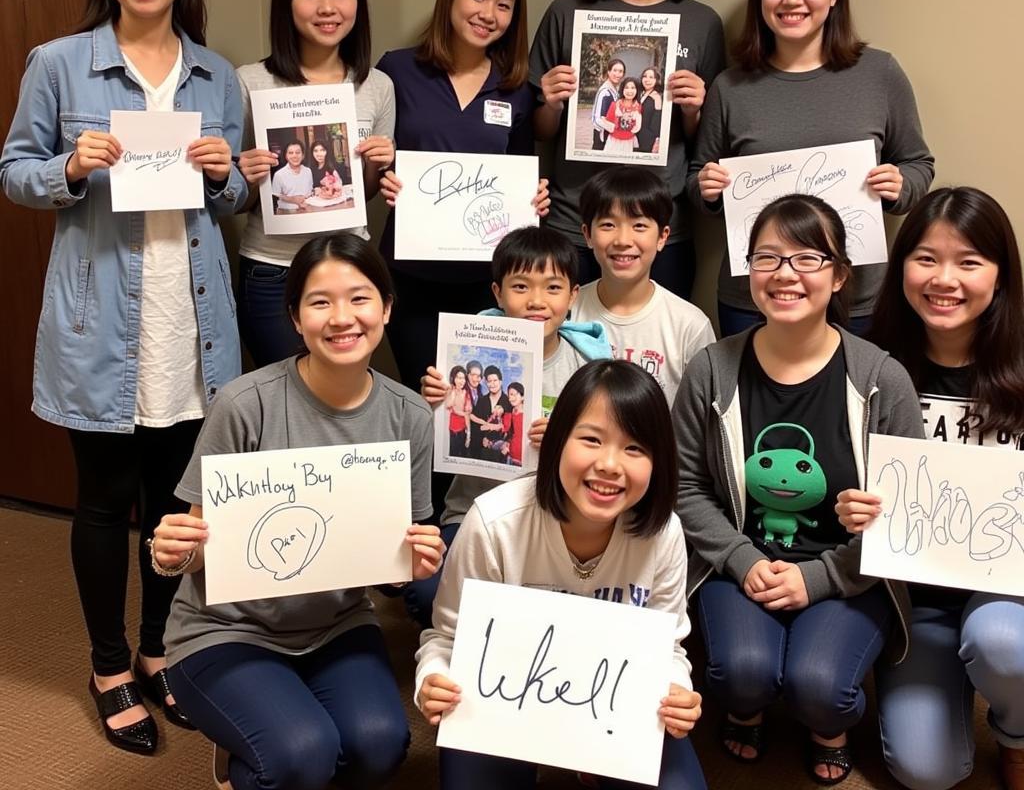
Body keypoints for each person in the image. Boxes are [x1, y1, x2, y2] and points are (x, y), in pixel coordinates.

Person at [0, 0, 246, 754]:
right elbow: (14, 170)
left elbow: (238, 194)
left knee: (174, 503)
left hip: (194, 322)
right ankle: (108, 666)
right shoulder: (59, 63)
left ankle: (157, 653)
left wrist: (226, 173)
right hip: (99, 324)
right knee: (105, 503)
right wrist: (69, 164)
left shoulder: (215, 73)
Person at [151, 233, 443, 790]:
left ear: (386, 307)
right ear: (294, 317)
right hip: (226, 629)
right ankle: (248, 759)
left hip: (336, 625)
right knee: (301, 756)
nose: (342, 318)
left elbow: (388, 570)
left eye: (360, 298)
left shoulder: (408, 416)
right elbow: (193, 551)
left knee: (379, 746)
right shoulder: (246, 403)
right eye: (320, 302)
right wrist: (171, 554)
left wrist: (415, 561)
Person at [673, 193, 925, 785]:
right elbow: (686, 486)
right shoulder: (711, 370)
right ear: (748, 270)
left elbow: (910, 516)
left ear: (839, 275)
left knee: (820, 688)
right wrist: (740, 557)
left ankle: (826, 724)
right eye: (768, 257)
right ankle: (747, 707)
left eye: (808, 258)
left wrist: (819, 578)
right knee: (742, 672)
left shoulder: (883, 379)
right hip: (744, 566)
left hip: (848, 573)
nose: (785, 274)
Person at [416, 359, 708, 790]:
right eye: (591, 439)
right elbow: (446, 638)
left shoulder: (663, 534)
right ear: (556, 440)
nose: (610, 464)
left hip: (614, 705)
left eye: (635, 449)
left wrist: (677, 691)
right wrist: (432, 680)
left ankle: (590, 765)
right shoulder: (494, 523)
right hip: (505, 706)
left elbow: (667, 647)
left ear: (658, 461)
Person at [834, 187, 1024, 790]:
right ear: (901, 267)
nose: (945, 279)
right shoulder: (864, 361)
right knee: (926, 771)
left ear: (1000, 274)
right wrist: (848, 504)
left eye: (969, 262)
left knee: (1001, 644)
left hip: (1009, 594)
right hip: (916, 603)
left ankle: (1017, 731)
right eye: (925, 258)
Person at [689, 0, 934, 336]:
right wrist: (707, 188)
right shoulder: (730, 87)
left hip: (855, 298)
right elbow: (696, 180)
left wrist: (901, 184)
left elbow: (918, 163)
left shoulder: (880, 74)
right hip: (754, 299)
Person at [531, 0, 726, 299]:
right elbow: (542, 132)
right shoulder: (566, 14)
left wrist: (694, 110)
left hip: (660, 228)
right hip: (574, 221)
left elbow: (705, 142)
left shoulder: (702, 22)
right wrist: (550, 103)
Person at [410, 225, 612, 627]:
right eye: (520, 287)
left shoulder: (587, 368)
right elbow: (440, 446)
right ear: (498, 293)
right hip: (472, 511)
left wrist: (566, 441)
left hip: (561, 518)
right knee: (425, 594)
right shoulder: (466, 355)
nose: (537, 301)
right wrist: (433, 405)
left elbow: (610, 451)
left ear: (573, 296)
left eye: (553, 288)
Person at [377, 0, 547, 392]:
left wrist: (534, 199)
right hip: (409, 276)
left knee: (473, 405)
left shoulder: (517, 90)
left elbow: (522, 170)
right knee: (422, 401)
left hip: (486, 283)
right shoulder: (396, 70)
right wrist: (383, 177)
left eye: (504, 5)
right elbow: (373, 156)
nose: (488, 13)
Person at [234, 0, 395, 367]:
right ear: (287, 2)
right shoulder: (249, 82)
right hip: (271, 270)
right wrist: (244, 175)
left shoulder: (378, 86)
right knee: (285, 405)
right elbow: (237, 200)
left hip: (348, 267)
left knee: (342, 400)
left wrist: (378, 167)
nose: (328, 7)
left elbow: (364, 195)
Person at [575, 167, 715, 407]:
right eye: (608, 225)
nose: (623, 241)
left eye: (639, 226)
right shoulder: (565, 312)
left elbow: (703, 416)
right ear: (588, 235)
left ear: (662, 237)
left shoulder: (690, 325)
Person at [602, 76, 643, 155]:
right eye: (626, 87)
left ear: (637, 90)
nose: (629, 91)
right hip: (613, 142)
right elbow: (608, 125)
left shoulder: (638, 107)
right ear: (622, 89)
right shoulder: (614, 105)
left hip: (628, 142)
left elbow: (636, 127)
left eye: (633, 88)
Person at [270, 139, 314, 210]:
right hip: (286, 212)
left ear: (303, 155)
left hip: (307, 209)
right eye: (290, 153)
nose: (294, 156)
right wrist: (293, 199)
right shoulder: (279, 175)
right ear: (286, 156)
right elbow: (276, 195)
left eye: (297, 152)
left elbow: (310, 191)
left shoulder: (308, 171)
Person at [591, 57, 625, 149]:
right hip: (602, 137)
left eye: (620, 71)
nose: (617, 74)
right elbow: (596, 119)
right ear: (609, 72)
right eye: (615, 70)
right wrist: (614, 128)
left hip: (611, 137)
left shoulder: (615, 90)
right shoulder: (605, 91)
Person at [445, 365, 472, 458]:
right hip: (451, 430)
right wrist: (453, 391)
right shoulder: (449, 391)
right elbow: (448, 405)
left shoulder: (466, 394)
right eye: (459, 378)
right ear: (453, 378)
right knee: (452, 454)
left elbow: (467, 415)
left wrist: (468, 434)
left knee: (463, 455)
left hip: (462, 430)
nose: (462, 381)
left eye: (463, 378)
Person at [636, 66, 663, 154]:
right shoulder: (640, 94)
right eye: (645, 76)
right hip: (635, 136)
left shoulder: (656, 97)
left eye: (651, 77)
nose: (647, 80)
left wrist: (657, 141)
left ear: (656, 80)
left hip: (648, 139)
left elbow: (657, 121)